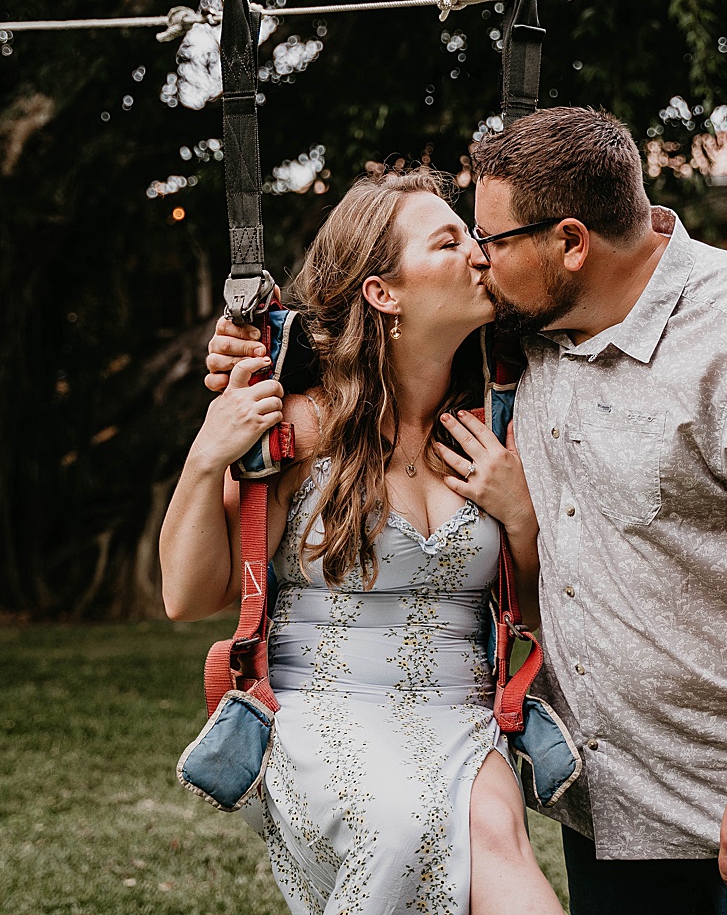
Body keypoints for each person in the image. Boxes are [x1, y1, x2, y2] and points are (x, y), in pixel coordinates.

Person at [206, 108, 727, 914]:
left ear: (571, 243)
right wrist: (249, 347)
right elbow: (373, 335)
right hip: (617, 798)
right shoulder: (525, 330)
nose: (479, 258)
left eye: (493, 240)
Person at [160, 171, 564, 915]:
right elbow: (190, 596)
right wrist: (205, 456)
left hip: (465, 715)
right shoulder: (299, 428)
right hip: (323, 711)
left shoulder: (494, 430)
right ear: (383, 291)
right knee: (401, 823)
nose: (479, 253)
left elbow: (535, 609)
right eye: (448, 241)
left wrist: (523, 520)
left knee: (508, 861)